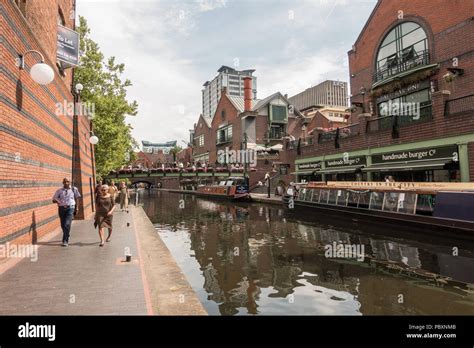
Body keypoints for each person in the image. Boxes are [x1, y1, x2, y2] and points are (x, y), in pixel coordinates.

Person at [52, 178, 81, 247]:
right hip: (61, 208)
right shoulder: (59, 191)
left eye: (67, 181)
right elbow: (53, 199)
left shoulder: (74, 189)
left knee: (67, 224)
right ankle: (67, 234)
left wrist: (77, 208)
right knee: (62, 225)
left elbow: (77, 198)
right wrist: (57, 201)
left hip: (70, 208)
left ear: (70, 182)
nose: (66, 183)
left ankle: (65, 240)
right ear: (63, 182)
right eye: (64, 181)